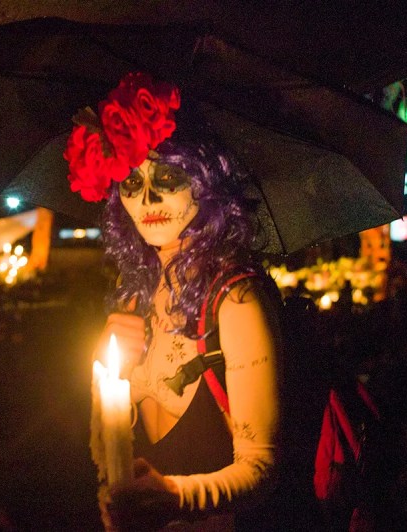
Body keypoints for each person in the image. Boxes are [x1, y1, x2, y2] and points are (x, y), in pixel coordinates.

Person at [65, 73, 282, 530]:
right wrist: (103, 369)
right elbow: (105, 451)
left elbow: (262, 468)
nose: (148, 198)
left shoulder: (237, 302)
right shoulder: (135, 298)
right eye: (129, 181)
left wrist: (173, 497)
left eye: (167, 176)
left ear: (206, 181)